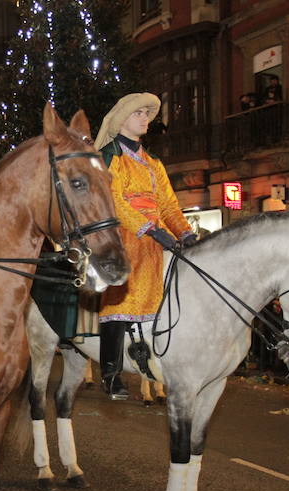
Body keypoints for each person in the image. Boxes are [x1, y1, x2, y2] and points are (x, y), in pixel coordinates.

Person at [94, 93, 196, 400]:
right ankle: (110, 373)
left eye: (146, 114)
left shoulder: (154, 164)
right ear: (121, 119)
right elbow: (114, 201)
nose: (145, 118)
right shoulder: (111, 156)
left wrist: (184, 232)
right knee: (119, 302)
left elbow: (169, 205)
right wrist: (148, 228)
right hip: (124, 238)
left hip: (155, 241)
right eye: (138, 113)